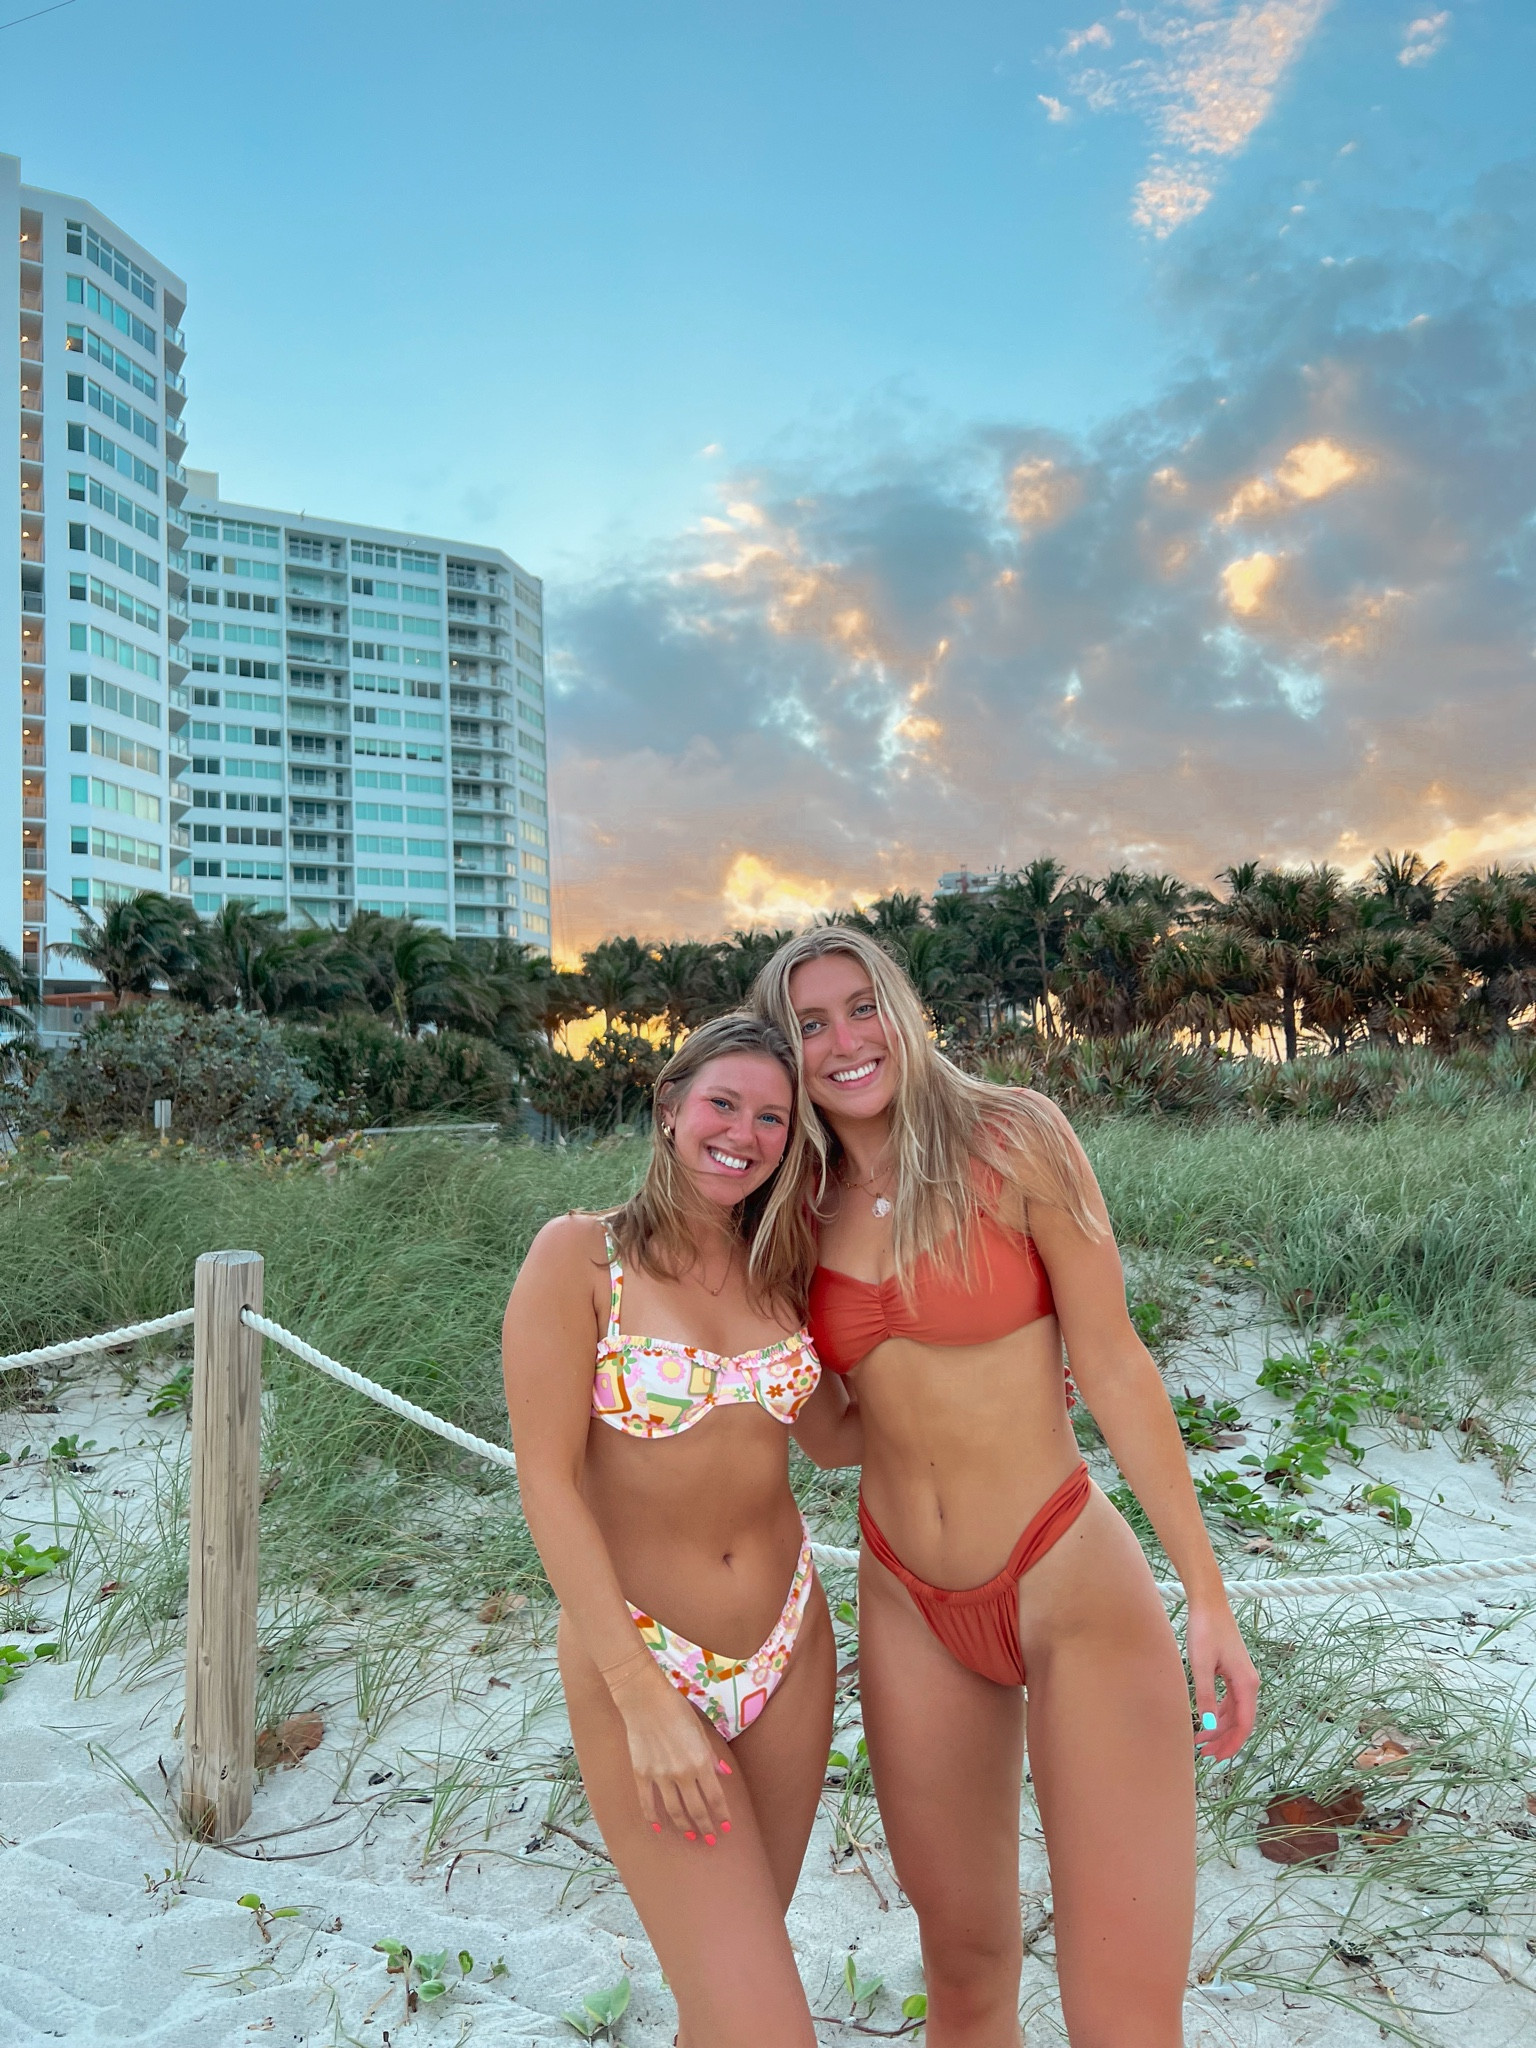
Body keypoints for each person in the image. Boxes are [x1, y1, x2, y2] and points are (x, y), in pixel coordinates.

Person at [750, 929, 1260, 2048]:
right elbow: (840, 1436)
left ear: (901, 1007)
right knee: (967, 1971)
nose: (845, 1041)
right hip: (907, 1600)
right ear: (788, 1054)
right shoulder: (798, 1204)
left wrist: (1207, 1597)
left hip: (1065, 1579)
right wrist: (760, 1364)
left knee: (1122, 2012)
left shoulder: (1012, 1136)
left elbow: (1116, 1364)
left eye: (860, 1005)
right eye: (812, 1024)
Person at [502, 1012, 855, 2048]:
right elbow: (546, 1480)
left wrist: (982, 1377)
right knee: (767, 2024)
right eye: (723, 1103)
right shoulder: (579, 1257)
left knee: (727, 2000)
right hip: (643, 1655)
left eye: (773, 1118)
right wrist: (641, 1697)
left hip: (793, 1644)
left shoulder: (780, 1262)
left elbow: (832, 1434)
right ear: (669, 1106)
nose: (743, 1132)